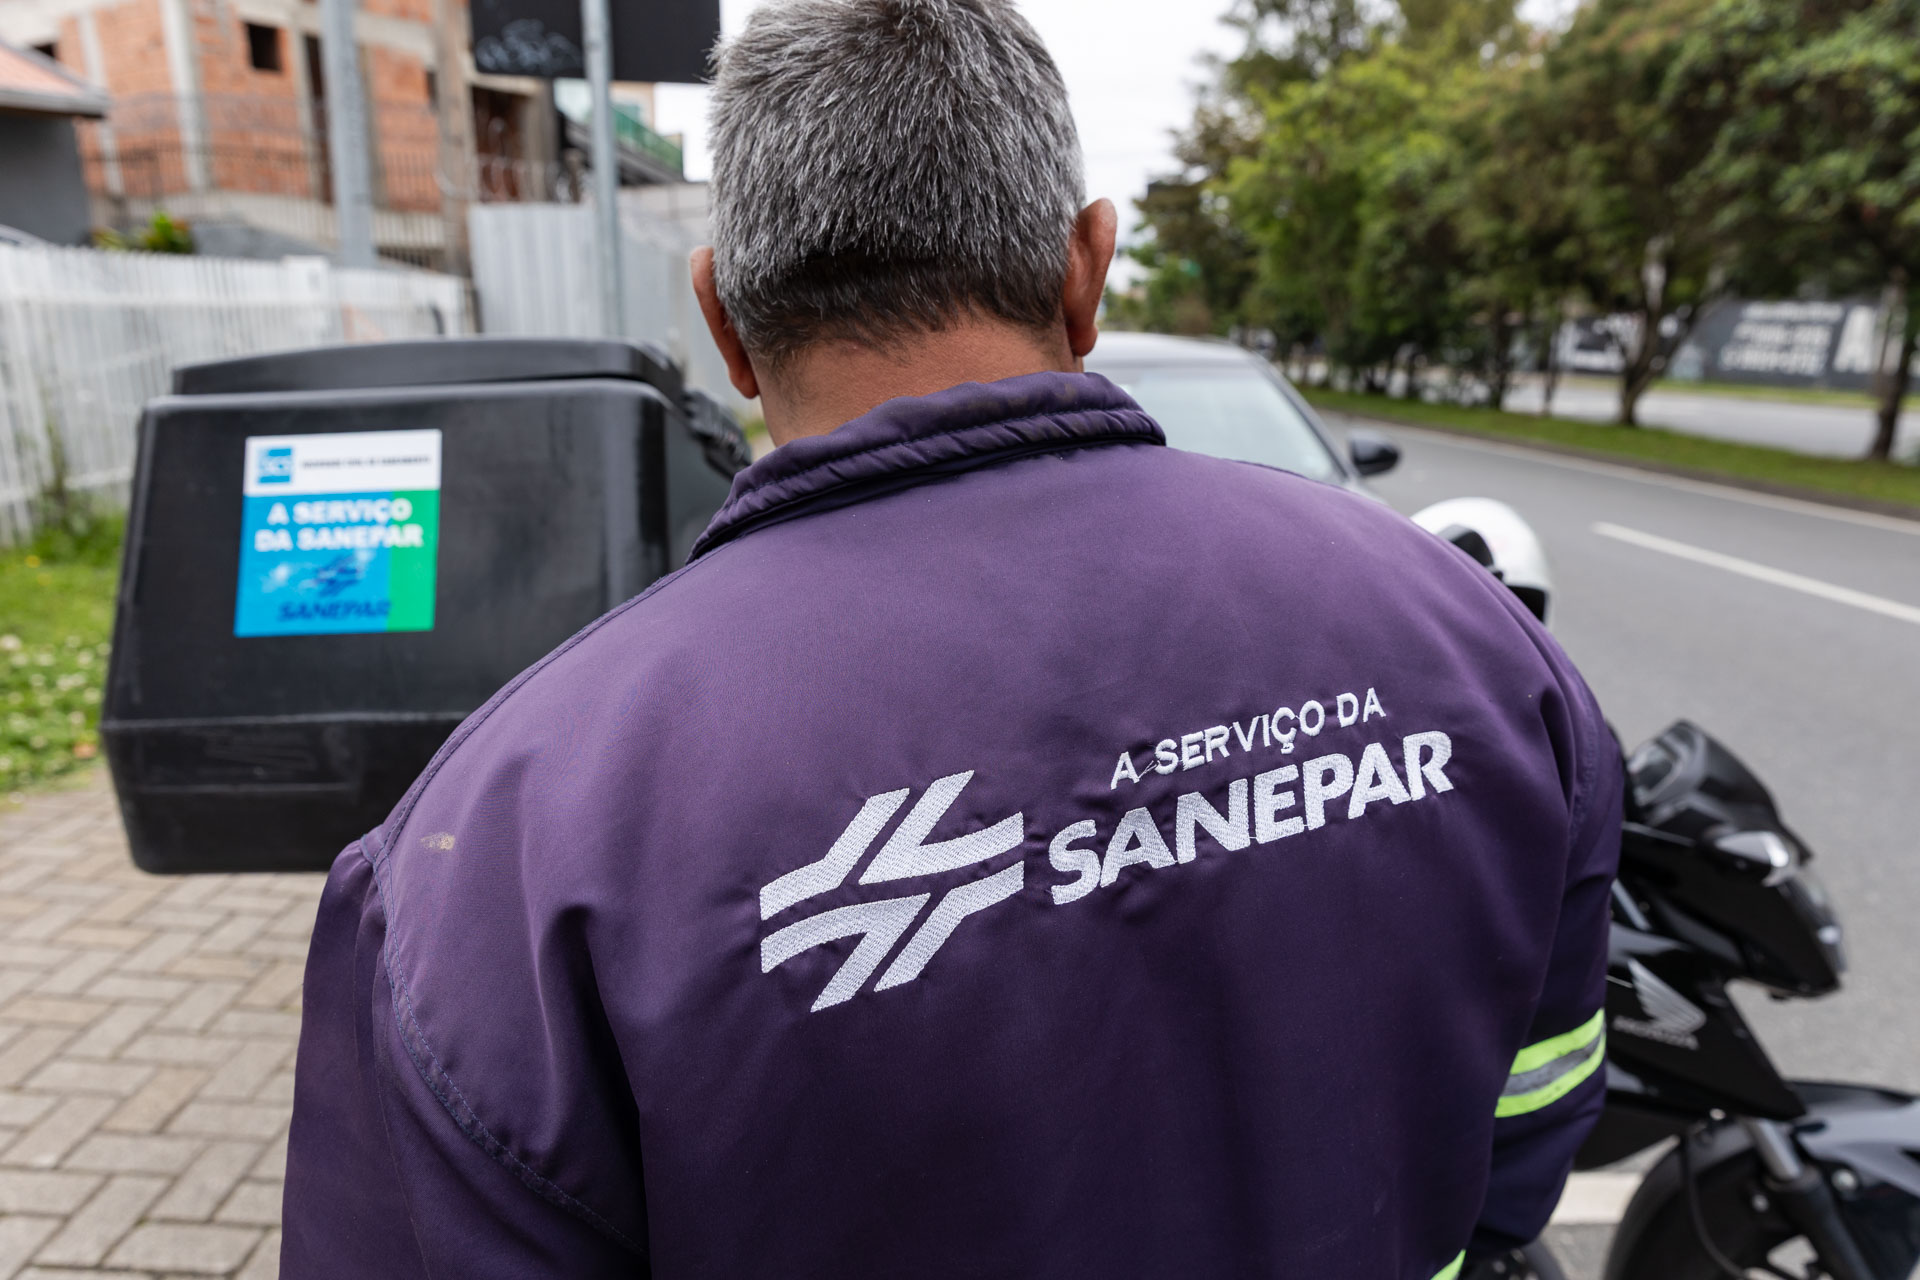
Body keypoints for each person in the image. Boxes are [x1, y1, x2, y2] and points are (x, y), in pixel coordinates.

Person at [281, 0, 1621, 1275]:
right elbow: (1525, 1131)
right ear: (1085, 271)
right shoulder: (1466, 639)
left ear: (726, 324)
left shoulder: (506, 851)